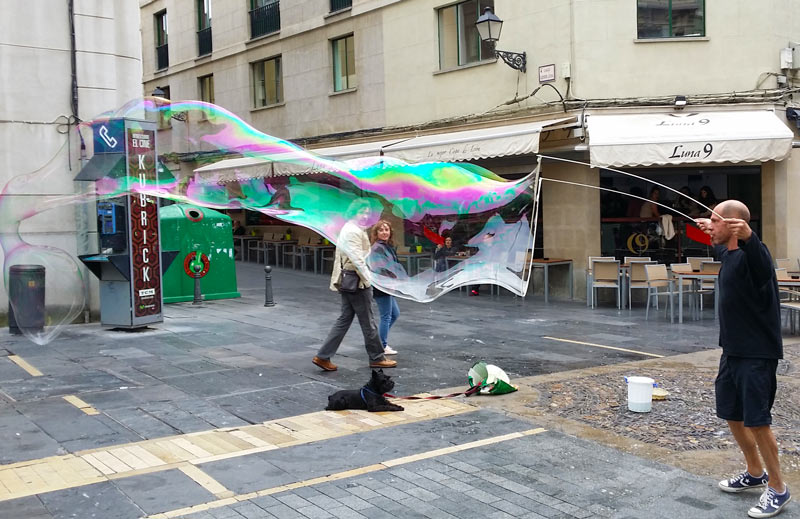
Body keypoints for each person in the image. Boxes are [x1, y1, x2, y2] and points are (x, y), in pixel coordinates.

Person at [696, 200, 790, 518]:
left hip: (757, 354)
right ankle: (754, 472)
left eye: (715, 221)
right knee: (732, 413)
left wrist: (750, 236)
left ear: (735, 226)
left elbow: (759, 257)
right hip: (732, 351)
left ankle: (778, 488)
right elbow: (720, 243)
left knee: (757, 421)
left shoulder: (755, 257)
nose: (709, 226)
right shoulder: (729, 253)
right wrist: (709, 229)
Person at [312, 200, 397, 372]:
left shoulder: (354, 229)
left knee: (344, 320)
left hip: (350, 281)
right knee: (368, 322)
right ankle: (377, 358)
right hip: (357, 282)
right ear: (353, 212)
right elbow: (357, 259)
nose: (365, 215)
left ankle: (323, 356)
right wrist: (370, 280)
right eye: (361, 212)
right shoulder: (352, 231)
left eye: (367, 212)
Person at [368, 220, 401, 356]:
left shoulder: (386, 246)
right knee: (386, 316)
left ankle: (379, 340)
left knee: (395, 314)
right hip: (382, 286)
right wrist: (390, 282)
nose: (384, 232)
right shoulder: (378, 248)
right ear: (376, 233)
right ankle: (382, 345)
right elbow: (379, 268)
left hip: (387, 285)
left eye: (386, 229)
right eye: (381, 230)